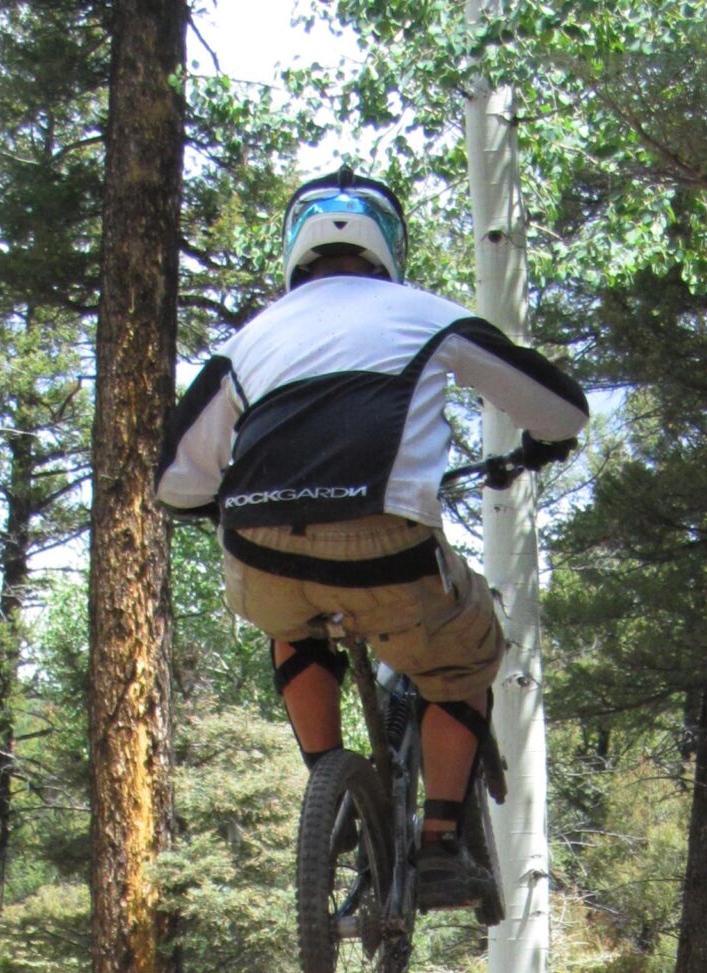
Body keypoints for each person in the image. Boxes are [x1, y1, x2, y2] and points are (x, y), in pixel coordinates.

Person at [156, 169, 589, 910]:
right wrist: (538, 446)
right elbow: (560, 410)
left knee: (294, 625)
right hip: (387, 549)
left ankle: (334, 794)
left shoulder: (248, 341)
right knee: (460, 656)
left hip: (259, 555)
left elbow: (175, 483)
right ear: (389, 246)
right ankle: (443, 841)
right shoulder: (424, 314)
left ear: (295, 249)